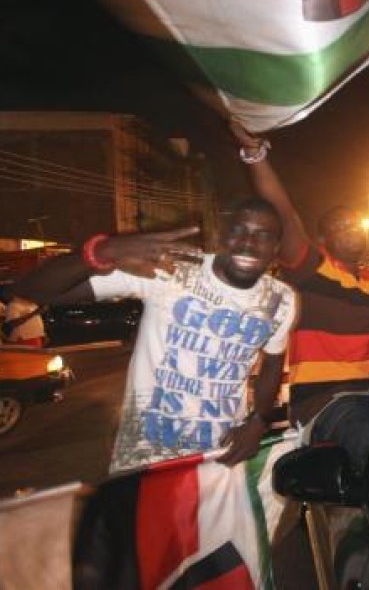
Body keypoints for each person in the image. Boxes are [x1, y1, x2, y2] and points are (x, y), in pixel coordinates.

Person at [232, 124, 369, 470]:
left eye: (355, 224)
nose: (351, 231)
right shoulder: (311, 267)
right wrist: (257, 155)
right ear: (323, 238)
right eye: (340, 227)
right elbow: (284, 215)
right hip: (325, 404)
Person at [11, 198, 298, 473]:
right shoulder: (172, 267)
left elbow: (273, 362)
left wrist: (259, 419)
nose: (248, 243)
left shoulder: (280, 300)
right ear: (222, 235)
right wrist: (102, 251)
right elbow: (36, 290)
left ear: (276, 248)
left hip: (222, 456)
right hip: (146, 460)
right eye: (238, 231)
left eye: (262, 235)